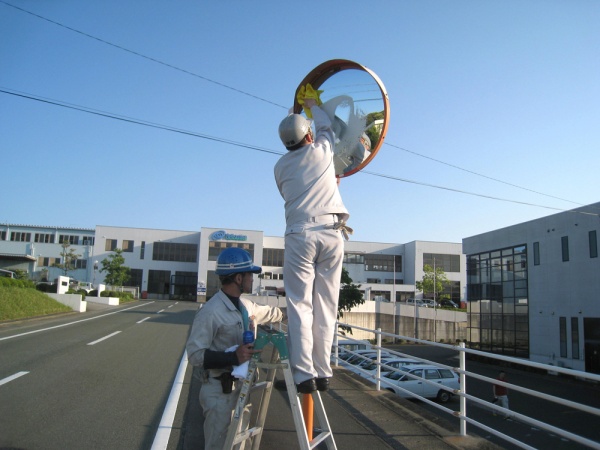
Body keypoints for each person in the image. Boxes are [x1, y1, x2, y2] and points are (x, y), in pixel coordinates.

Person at [274, 93, 351, 394]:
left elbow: (295, 193)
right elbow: (326, 126)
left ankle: (305, 373)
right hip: (332, 232)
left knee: (300, 304)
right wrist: (313, 106)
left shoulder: (279, 167)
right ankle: (323, 370)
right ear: (307, 134)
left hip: (300, 234)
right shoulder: (321, 150)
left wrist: (326, 182)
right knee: (326, 305)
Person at [186, 247, 284, 450]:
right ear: (239, 278)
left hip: (242, 390)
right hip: (219, 394)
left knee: (240, 445)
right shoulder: (211, 312)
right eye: (250, 274)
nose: (252, 279)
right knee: (219, 445)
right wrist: (233, 356)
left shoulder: (246, 306)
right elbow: (195, 356)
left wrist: (299, 309)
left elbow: (274, 313)